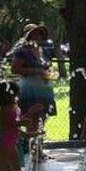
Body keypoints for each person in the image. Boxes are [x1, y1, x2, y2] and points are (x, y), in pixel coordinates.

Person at [10, 24, 56, 160]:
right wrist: (36, 71)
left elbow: (48, 68)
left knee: (42, 119)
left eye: (40, 34)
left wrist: (48, 74)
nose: (38, 36)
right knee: (32, 120)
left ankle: (39, 150)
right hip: (30, 89)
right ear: (28, 36)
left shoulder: (44, 51)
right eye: (34, 34)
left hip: (45, 89)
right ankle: (33, 152)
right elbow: (14, 69)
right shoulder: (22, 52)